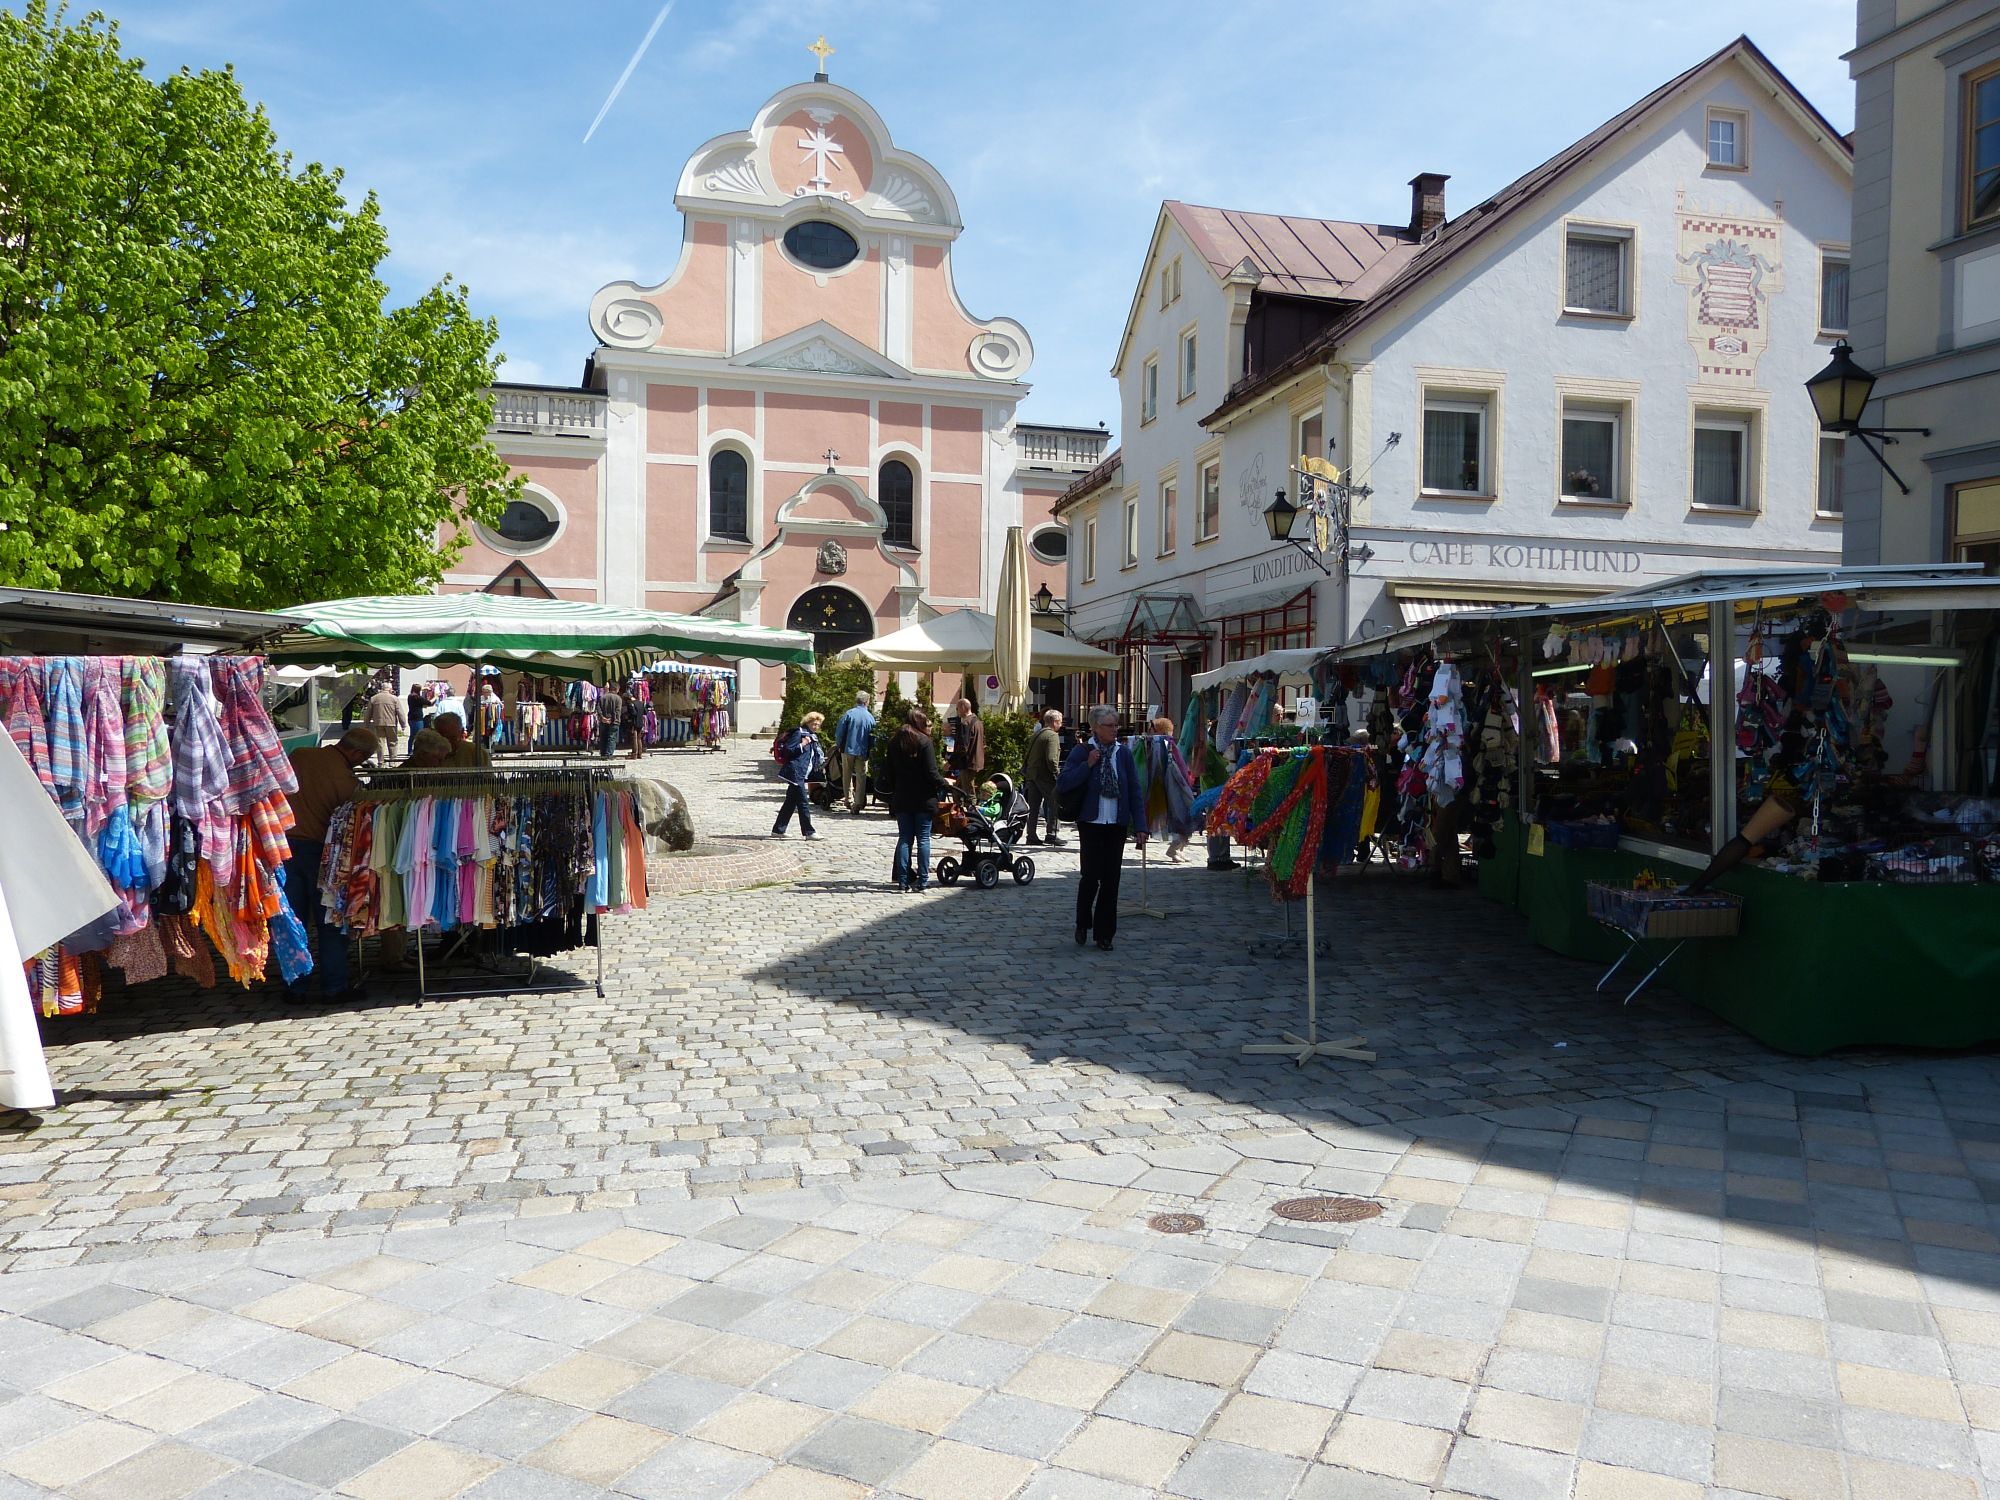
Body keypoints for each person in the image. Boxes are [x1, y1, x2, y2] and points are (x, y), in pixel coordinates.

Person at [282, 726, 379, 1003]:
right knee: (330, 921)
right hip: (322, 852)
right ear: (357, 753)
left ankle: (295, 985)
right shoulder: (349, 784)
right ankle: (334, 986)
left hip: (284, 846)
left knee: (293, 919)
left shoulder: (300, 755)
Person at [1055, 707, 1144, 952]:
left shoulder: (1123, 754)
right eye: (1109, 725)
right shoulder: (1082, 751)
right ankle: (1083, 922)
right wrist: (1088, 765)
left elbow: (1135, 791)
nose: (1114, 730)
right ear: (1095, 727)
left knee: (1111, 880)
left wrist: (1141, 826)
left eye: (1116, 725)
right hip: (1091, 823)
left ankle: (1105, 934)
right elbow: (1064, 783)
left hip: (1115, 824)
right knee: (1090, 877)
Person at [883, 708, 950, 891]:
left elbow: (889, 772)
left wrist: (896, 788)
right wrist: (945, 784)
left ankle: (903, 881)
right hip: (924, 797)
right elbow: (931, 772)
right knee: (923, 839)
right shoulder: (924, 742)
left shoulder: (894, 742)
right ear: (920, 723)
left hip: (902, 796)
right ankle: (923, 880)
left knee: (905, 838)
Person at [772, 711, 826, 838]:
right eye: (814, 724)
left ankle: (778, 830)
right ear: (808, 722)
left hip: (802, 773)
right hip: (795, 772)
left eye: (818, 725)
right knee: (803, 802)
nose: (816, 727)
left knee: (790, 803)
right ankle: (809, 832)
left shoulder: (812, 736)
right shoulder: (799, 733)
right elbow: (788, 750)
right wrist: (802, 744)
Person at [1022, 709, 1065, 846]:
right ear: (1054, 722)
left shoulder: (1037, 734)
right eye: (1060, 722)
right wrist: (1057, 774)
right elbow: (1052, 759)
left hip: (1032, 774)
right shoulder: (1052, 736)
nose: (1061, 725)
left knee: (1033, 807)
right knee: (1054, 803)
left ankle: (1031, 835)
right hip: (1045, 776)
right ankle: (1051, 834)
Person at [833, 690, 876, 814]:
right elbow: (873, 737)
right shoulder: (870, 717)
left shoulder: (849, 714)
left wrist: (839, 745)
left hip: (848, 749)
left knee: (847, 774)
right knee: (861, 777)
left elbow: (839, 733)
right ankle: (857, 804)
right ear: (867, 701)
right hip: (863, 751)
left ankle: (848, 799)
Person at [948, 697, 985, 796]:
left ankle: (970, 810)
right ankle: (959, 808)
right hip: (975, 761)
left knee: (968, 793)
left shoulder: (965, 724)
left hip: (967, 763)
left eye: (957, 708)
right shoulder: (979, 722)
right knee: (957, 789)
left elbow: (962, 747)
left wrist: (950, 762)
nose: (957, 711)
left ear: (963, 707)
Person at [364, 679, 406, 759]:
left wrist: (366, 724)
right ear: (390, 689)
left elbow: (368, 713)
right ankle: (392, 761)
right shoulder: (394, 699)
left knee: (380, 743)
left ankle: (381, 761)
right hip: (391, 723)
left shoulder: (374, 698)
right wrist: (403, 724)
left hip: (378, 723)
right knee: (392, 742)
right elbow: (400, 712)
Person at [596, 685, 624, 759]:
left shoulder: (603, 697)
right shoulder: (618, 698)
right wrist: (612, 719)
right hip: (614, 722)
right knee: (612, 738)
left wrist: (602, 717)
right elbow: (617, 711)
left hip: (603, 721)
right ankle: (609, 754)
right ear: (616, 689)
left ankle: (603, 753)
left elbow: (598, 708)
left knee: (603, 737)